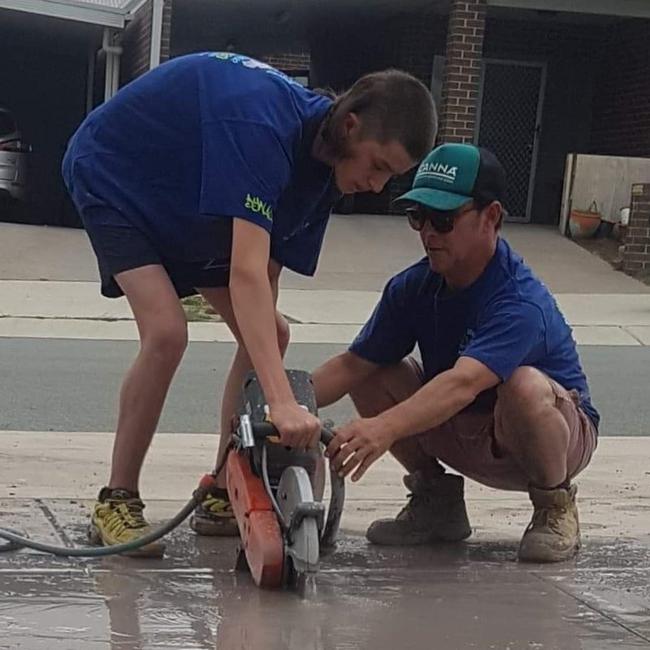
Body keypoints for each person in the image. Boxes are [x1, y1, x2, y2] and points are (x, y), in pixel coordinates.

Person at [62, 52, 437, 556]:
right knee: (167, 332)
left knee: (272, 334)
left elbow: (264, 279)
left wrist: (274, 394)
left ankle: (224, 484)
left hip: (188, 190)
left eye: (392, 176)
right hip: (117, 172)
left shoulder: (324, 173)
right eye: (378, 165)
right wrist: (279, 402)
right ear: (350, 125)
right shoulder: (261, 127)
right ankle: (117, 499)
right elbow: (243, 272)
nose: (376, 185)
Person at [312, 143, 599, 563]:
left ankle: (555, 508)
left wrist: (381, 428)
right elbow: (354, 364)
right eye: (418, 216)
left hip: (544, 437)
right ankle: (438, 503)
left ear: (492, 217)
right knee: (374, 368)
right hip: (465, 427)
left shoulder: (519, 300)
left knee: (522, 385)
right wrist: (279, 403)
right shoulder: (411, 288)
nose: (428, 232)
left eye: (443, 219)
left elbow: (463, 383)